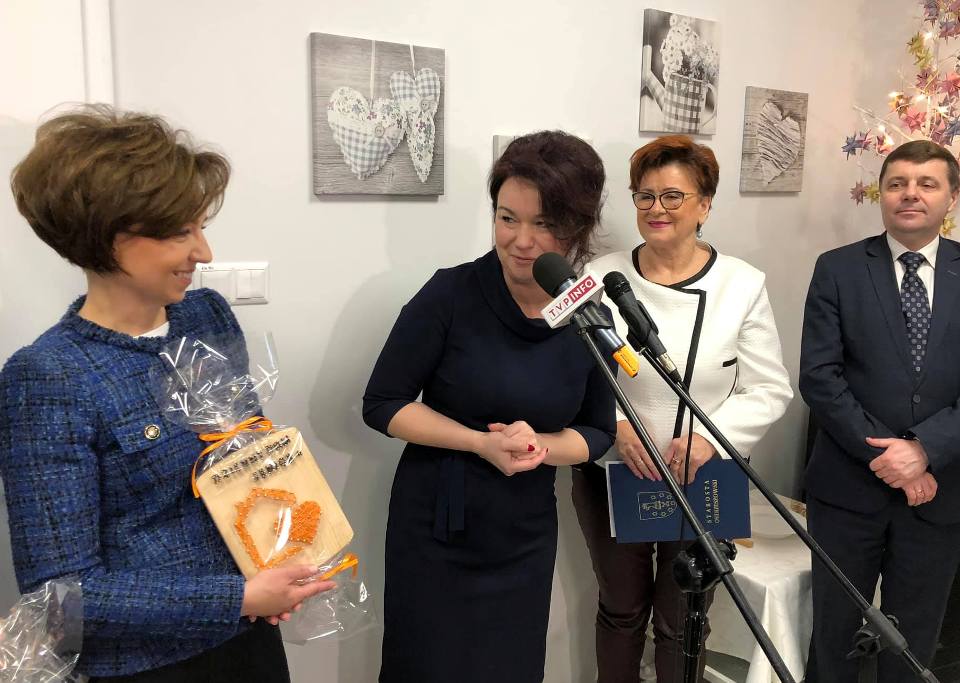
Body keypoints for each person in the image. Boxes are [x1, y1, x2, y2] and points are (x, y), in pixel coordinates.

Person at [0, 105, 334, 682]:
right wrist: (238, 598)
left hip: (252, 637)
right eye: (181, 232)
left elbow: (247, 463)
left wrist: (289, 547)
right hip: (150, 665)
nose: (204, 253)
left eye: (200, 227)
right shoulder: (49, 376)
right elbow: (61, 601)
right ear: (108, 236)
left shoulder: (206, 317)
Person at [362, 131, 617, 683]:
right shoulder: (449, 295)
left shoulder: (588, 313)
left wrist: (541, 446)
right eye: (507, 218)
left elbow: (598, 431)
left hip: (523, 533)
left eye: (544, 224)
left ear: (578, 226)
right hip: (438, 530)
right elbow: (383, 404)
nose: (521, 241)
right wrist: (480, 442)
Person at [800, 139, 960, 683]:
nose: (910, 194)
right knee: (833, 634)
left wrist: (923, 451)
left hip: (938, 494)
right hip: (847, 492)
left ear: (952, 197)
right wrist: (891, 459)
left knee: (913, 643)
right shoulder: (837, 269)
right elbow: (820, 378)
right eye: (897, 183)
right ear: (882, 193)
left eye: (927, 184)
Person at [576, 134, 793, 682]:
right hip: (614, 470)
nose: (657, 209)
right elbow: (569, 373)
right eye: (645, 196)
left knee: (684, 620)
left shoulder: (740, 285)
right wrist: (613, 423)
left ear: (705, 204)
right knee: (621, 610)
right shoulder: (599, 277)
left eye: (673, 196)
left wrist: (708, 441)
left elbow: (769, 389)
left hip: (702, 474)